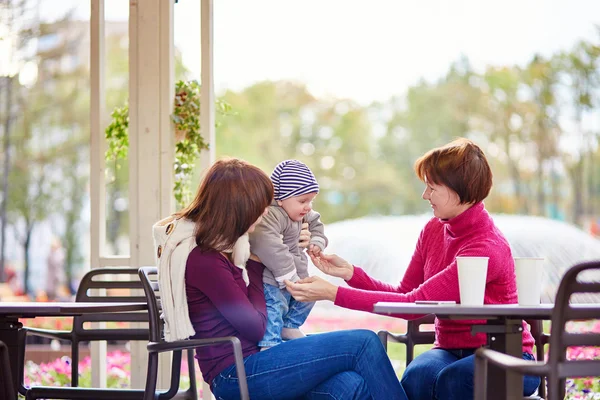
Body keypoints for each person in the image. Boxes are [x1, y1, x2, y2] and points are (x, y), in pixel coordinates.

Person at [286, 138, 541, 400]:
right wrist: (351, 274)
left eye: (432, 187)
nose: (425, 195)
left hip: (508, 356)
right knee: (417, 379)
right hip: (450, 351)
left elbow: (411, 303)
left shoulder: (486, 247)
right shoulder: (434, 229)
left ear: (461, 190)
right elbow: (406, 293)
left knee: (455, 382)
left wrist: (332, 293)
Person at [153, 158, 407, 400]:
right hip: (236, 374)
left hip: (263, 362)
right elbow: (257, 327)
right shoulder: (205, 260)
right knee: (363, 343)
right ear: (239, 208)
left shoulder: (232, 249)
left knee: (352, 385)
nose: (265, 214)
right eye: (260, 206)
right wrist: (256, 263)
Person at [249, 159, 327, 348]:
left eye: (311, 200)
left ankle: (290, 325)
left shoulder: (303, 213)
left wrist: (317, 242)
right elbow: (269, 245)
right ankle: (270, 342)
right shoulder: (272, 216)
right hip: (275, 278)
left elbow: (317, 225)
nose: (308, 206)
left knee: (311, 296)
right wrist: (287, 275)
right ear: (281, 198)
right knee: (276, 306)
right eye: (302, 201)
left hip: (297, 275)